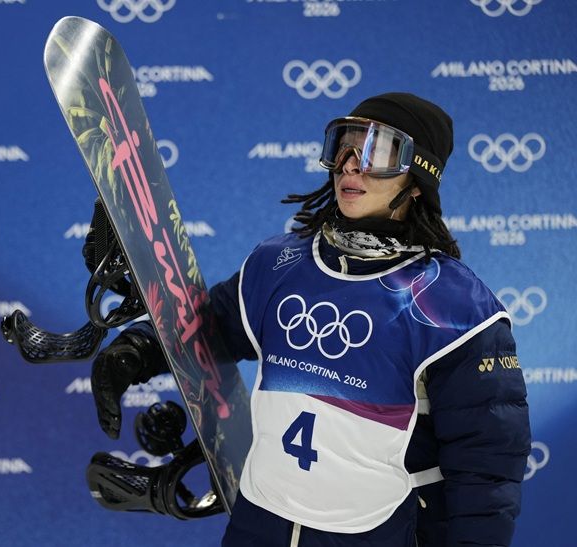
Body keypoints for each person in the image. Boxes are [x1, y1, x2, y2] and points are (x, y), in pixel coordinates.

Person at [87, 92, 531, 547]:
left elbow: (487, 465)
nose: (350, 166)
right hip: (258, 524)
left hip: (373, 533)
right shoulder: (280, 263)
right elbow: (208, 327)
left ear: (418, 180)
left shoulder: (454, 308)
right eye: (343, 147)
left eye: (377, 151)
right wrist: (138, 350)